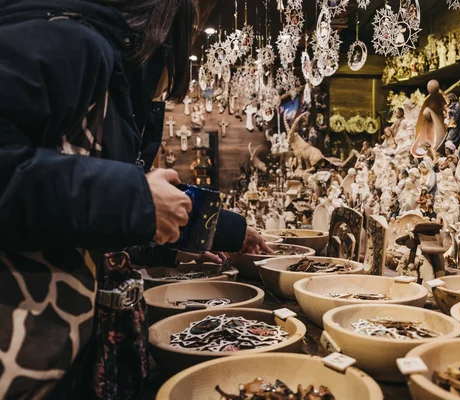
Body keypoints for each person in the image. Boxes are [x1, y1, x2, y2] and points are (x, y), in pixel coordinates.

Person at [0, 0, 270, 398]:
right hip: (27, 354)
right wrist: (137, 199)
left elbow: (77, 209)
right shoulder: (70, 41)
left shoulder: (93, 57)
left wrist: (222, 231)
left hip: (62, 349)